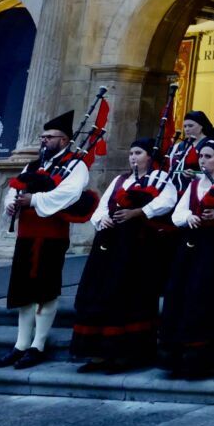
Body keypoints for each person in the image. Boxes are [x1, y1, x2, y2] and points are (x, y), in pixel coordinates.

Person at [0, 110, 90, 370]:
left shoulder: (75, 165)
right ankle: (21, 344)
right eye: (43, 136)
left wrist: (33, 200)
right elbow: (14, 188)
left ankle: (39, 344)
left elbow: (70, 193)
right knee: (24, 292)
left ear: (65, 140)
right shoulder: (33, 165)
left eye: (50, 136)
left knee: (45, 290)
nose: (44, 140)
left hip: (51, 235)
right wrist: (12, 204)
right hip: (27, 233)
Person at [72, 138, 175, 373]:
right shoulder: (120, 180)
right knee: (100, 294)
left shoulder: (160, 179)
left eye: (138, 152)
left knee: (128, 297)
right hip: (109, 244)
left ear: (149, 156)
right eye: (131, 153)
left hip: (136, 247)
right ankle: (98, 354)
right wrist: (102, 219)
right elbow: (101, 206)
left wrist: (138, 212)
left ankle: (123, 355)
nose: (133, 157)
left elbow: (167, 202)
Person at [158, 140, 214, 379]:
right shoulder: (194, 184)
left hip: (213, 248)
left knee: (206, 295)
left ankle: (206, 357)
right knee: (182, 293)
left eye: (208, 156)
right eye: (201, 157)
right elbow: (178, 212)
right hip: (190, 246)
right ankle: (181, 354)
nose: (203, 160)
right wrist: (189, 217)